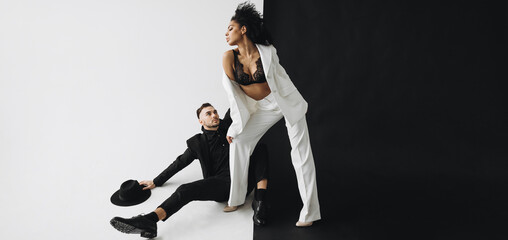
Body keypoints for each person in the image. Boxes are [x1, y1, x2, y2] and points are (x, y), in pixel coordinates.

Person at [222, 2, 321, 227]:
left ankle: (310, 212)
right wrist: (235, 126)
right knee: (238, 140)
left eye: (230, 28)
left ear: (243, 29)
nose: (226, 33)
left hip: (285, 102)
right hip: (261, 108)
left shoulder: (267, 51)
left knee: (301, 155)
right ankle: (236, 198)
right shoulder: (228, 58)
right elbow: (234, 96)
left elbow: (280, 82)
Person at [110, 103, 269, 238]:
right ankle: (150, 220)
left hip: (244, 179)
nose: (214, 115)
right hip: (223, 184)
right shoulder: (197, 143)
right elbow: (179, 163)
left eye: (215, 112)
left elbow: (237, 102)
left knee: (260, 148)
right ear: (201, 120)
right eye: (208, 113)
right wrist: (156, 181)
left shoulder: (228, 125)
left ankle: (260, 202)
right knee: (185, 189)